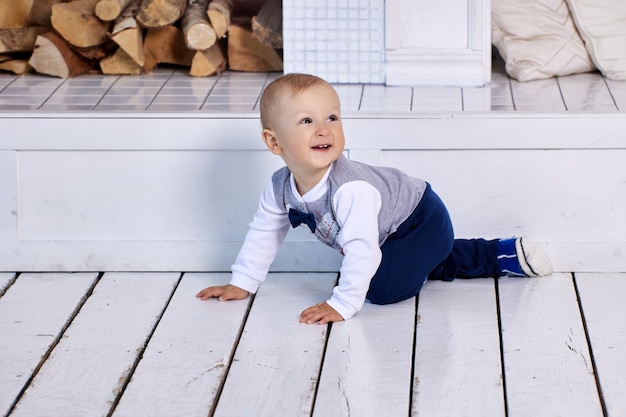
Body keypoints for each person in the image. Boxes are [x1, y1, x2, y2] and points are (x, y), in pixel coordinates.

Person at [196, 73, 552, 325]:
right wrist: (241, 283)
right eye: (307, 121)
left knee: (380, 291)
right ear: (274, 143)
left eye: (332, 117)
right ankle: (424, 260)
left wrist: (342, 304)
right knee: (365, 273)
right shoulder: (279, 187)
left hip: (420, 219)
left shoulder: (351, 189)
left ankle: (493, 254)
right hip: (387, 233)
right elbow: (264, 232)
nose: (324, 129)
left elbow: (362, 249)